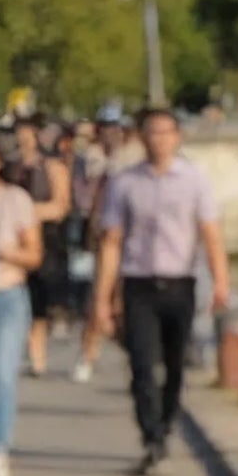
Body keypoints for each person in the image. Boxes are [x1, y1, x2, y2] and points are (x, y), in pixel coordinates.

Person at [92, 108, 231, 476]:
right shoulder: (124, 184)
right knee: (141, 364)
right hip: (138, 284)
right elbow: (111, 242)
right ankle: (152, 437)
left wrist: (221, 282)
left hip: (180, 283)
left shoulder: (195, 180)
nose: (160, 140)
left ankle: (167, 420)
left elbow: (211, 233)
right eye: (152, 133)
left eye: (166, 133)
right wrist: (103, 299)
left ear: (177, 136)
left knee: (174, 365)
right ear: (141, 137)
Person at [0, 129, 43, 476]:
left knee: (1, 375)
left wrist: (7, 253)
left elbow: (35, 255)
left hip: (6, 297)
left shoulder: (15, 199)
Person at [72, 112, 139, 384]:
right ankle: (88, 354)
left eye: (117, 128)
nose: (112, 134)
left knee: (127, 298)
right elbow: (84, 200)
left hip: (133, 238)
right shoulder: (91, 160)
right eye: (107, 128)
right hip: (104, 236)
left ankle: (133, 357)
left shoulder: (133, 159)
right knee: (99, 296)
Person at [4, 116, 71, 378]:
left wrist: (26, 213)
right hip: (12, 241)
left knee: (39, 303)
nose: (23, 140)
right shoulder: (9, 168)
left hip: (45, 240)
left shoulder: (52, 167)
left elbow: (61, 206)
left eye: (28, 134)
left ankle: (37, 356)